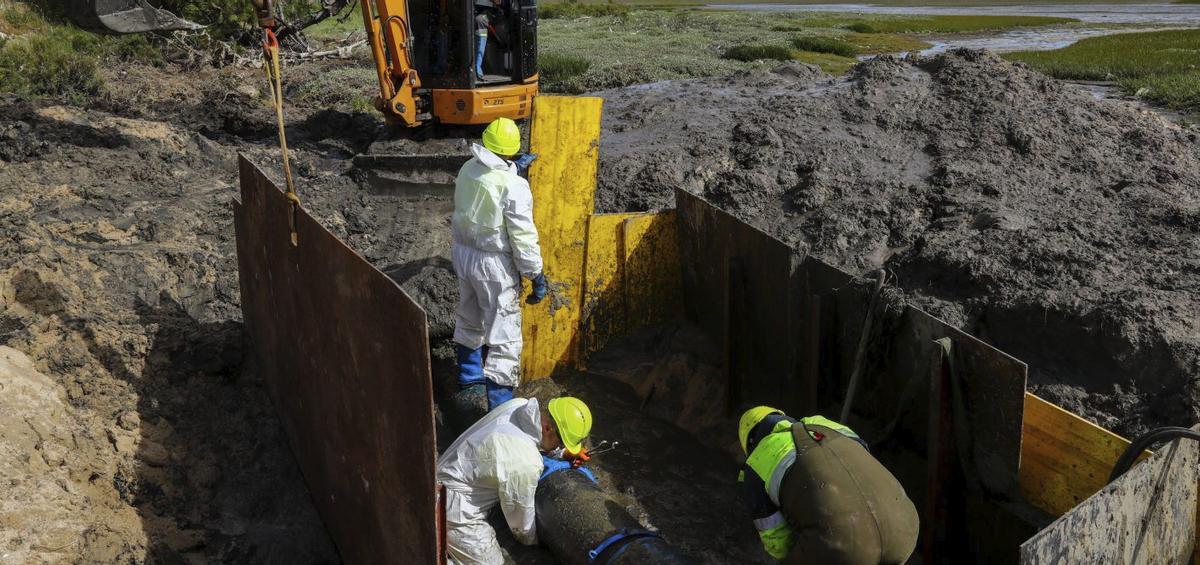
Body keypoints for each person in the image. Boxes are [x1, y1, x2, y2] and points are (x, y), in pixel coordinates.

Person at [737, 406, 919, 564]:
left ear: (750, 442)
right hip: (905, 528)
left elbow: (778, 543)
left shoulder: (756, 460)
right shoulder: (827, 424)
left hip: (845, 548)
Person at [452, 117, 544, 411]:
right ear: (513, 151)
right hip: (494, 266)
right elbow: (523, 236)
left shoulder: (468, 168)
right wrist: (535, 274)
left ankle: (469, 377)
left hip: (464, 255)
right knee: (504, 336)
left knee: (470, 314)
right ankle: (499, 408)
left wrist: (513, 169)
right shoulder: (514, 186)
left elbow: (487, 185)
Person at [437, 396, 593, 564]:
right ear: (547, 428)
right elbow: (521, 527)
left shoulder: (519, 405)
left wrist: (561, 454)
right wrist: (543, 540)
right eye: (561, 442)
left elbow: (522, 443)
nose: (560, 447)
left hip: (442, 475)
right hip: (455, 510)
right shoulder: (526, 461)